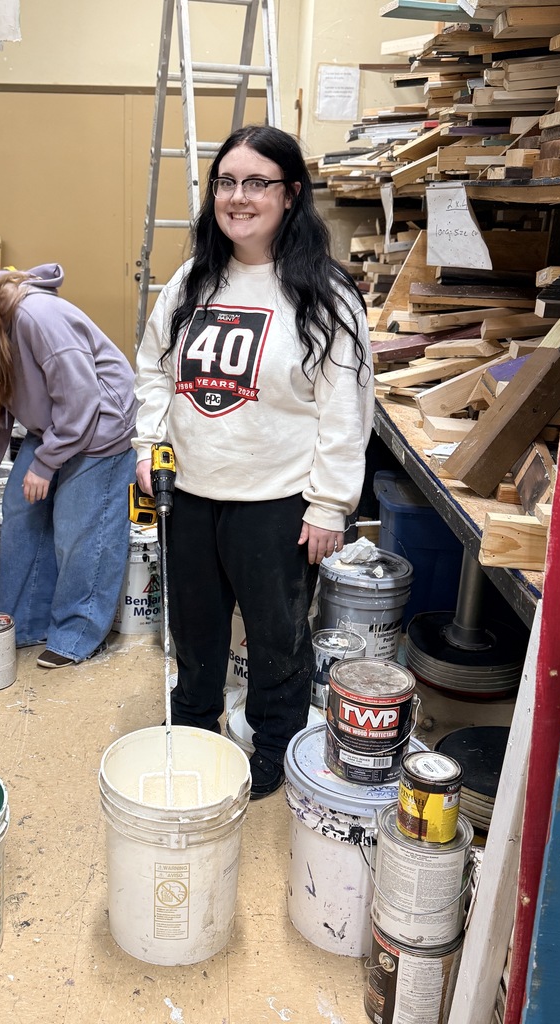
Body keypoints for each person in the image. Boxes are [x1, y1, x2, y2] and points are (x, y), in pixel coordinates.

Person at [133, 125, 373, 798]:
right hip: (192, 495)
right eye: (227, 182)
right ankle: (194, 730)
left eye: (257, 183)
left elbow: (345, 410)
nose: (238, 198)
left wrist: (329, 505)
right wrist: (148, 445)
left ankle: (274, 746)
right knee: (196, 632)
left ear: (291, 195)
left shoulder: (324, 296)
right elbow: (152, 370)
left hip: (277, 504)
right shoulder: (192, 282)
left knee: (277, 641)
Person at [0, 264, 137, 668]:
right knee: (20, 510)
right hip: (56, 422)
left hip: (101, 422)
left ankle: (77, 634)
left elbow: (81, 399)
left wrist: (45, 463)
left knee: (79, 526)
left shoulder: (38, 318)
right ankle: (29, 624)